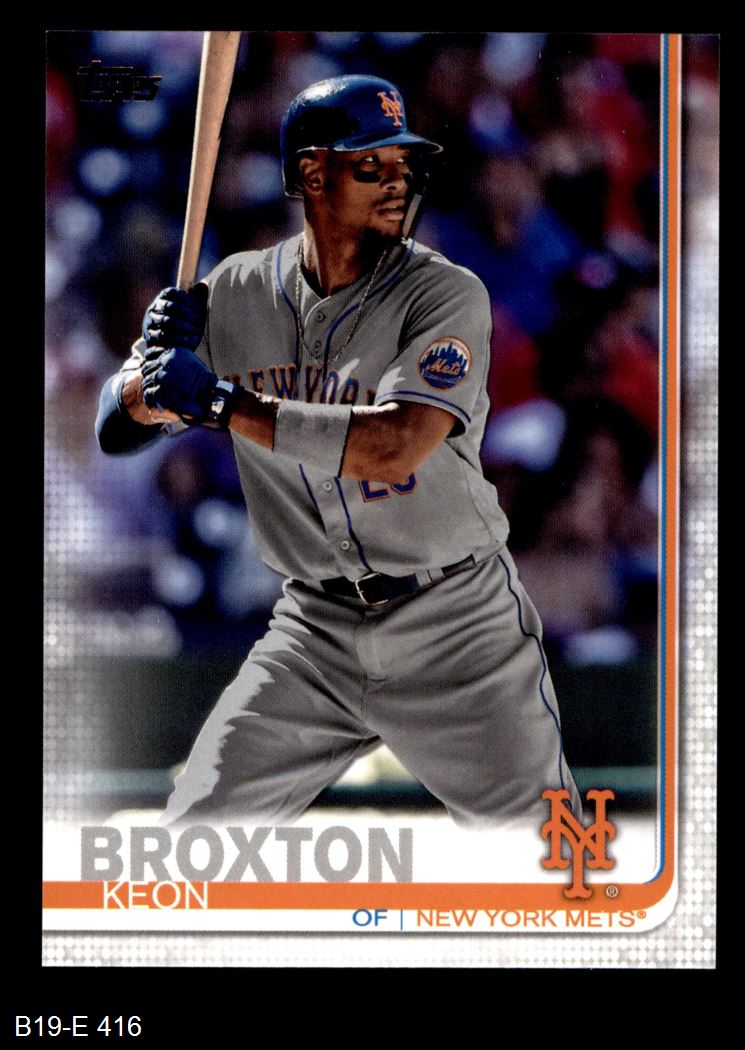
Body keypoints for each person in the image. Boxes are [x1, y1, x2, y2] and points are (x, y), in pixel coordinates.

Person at [96, 75, 581, 828]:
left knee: (547, 858)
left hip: (453, 620)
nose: (398, 182)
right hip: (314, 630)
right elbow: (114, 428)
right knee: (195, 837)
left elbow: (395, 446)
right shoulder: (237, 291)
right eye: (371, 164)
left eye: (403, 164)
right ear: (312, 174)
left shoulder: (445, 295)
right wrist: (151, 370)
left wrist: (220, 402)